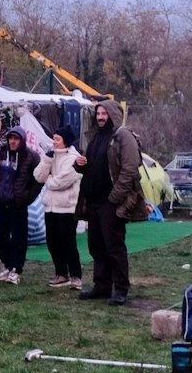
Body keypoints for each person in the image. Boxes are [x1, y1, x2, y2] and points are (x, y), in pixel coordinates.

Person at [74, 101, 150, 305]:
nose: (100, 117)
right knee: (96, 246)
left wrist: (114, 198)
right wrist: (79, 164)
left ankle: (121, 289)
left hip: (111, 202)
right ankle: (102, 286)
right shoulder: (95, 137)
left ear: (113, 115)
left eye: (104, 113)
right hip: (93, 201)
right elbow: (90, 165)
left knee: (114, 247)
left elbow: (130, 170)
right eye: (98, 113)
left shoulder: (123, 137)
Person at [0, 129, 41, 284]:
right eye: (10, 138)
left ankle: (16, 269)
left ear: (22, 140)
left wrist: (27, 198)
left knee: (18, 239)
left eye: (16, 139)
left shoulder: (31, 156)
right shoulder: (1, 153)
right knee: (0, 237)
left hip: (18, 205)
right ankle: (8, 266)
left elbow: (38, 180)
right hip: (1, 203)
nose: (13, 142)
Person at [34, 130, 84, 289]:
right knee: (52, 242)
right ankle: (61, 273)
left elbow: (60, 182)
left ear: (65, 141)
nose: (54, 142)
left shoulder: (74, 159)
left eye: (57, 139)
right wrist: (46, 161)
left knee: (68, 242)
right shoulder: (51, 157)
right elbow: (37, 176)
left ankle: (76, 276)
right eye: (53, 139)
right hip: (50, 207)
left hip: (67, 208)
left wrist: (48, 180)